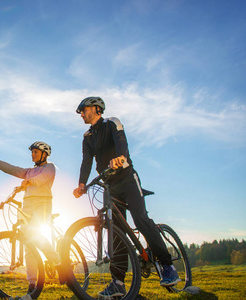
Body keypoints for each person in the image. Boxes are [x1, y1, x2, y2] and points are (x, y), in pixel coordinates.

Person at [72, 97, 180, 298]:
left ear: (96, 108)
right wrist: (81, 184)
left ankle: (167, 266)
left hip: (128, 179)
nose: (81, 114)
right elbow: (86, 162)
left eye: (83, 109)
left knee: (140, 219)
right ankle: (118, 282)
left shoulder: (112, 122)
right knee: (116, 232)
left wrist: (121, 157)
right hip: (109, 185)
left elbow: (121, 142)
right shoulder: (87, 137)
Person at [0, 141, 65, 298]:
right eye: (32, 153)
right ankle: (32, 284)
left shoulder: (49, 168)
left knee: (35, 236)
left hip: (42, 204)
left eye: (35, 152)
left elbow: (42, 178)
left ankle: (59, 263)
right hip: (27, 206)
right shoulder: (29, 171)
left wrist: (29, 182)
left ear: (44, 154)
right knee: (28, 244)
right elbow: (12, 169)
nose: (32, 155)